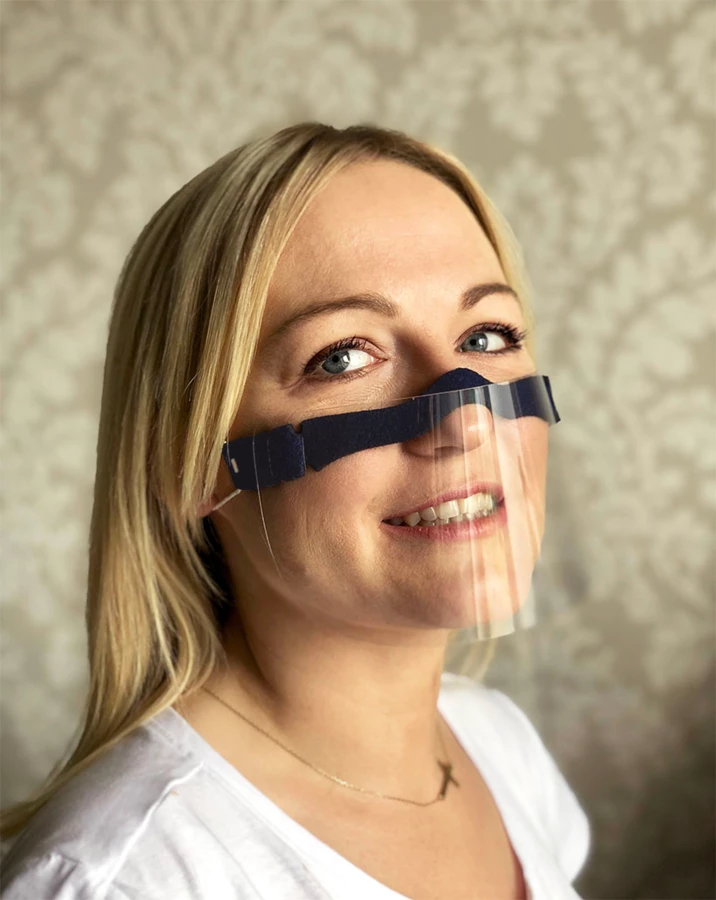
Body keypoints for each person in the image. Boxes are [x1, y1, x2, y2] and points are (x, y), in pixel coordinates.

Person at [0, 123, 590, 899]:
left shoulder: (497, 747)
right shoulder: (134, 879)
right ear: (190, 464)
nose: (468, 420)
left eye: (487, 335)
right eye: (343, 356)